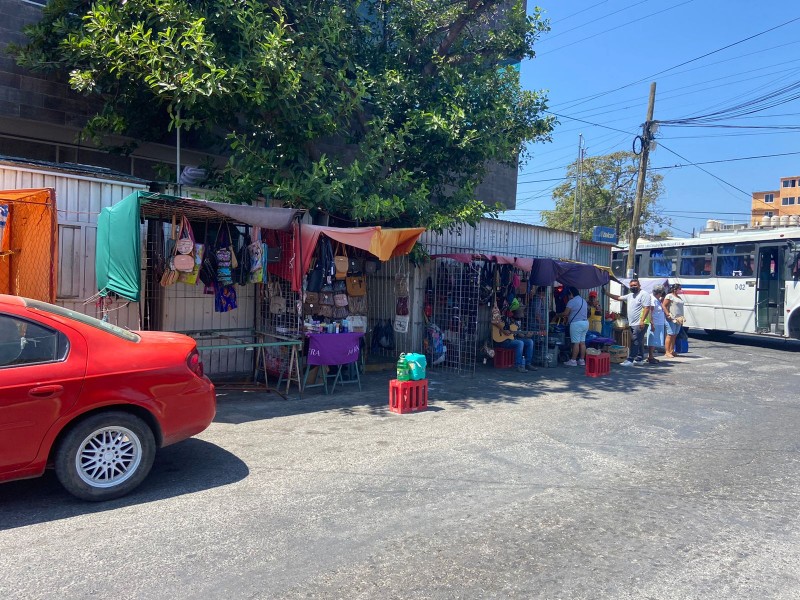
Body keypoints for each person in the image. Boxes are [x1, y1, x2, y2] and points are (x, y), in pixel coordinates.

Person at [606, 278, 651, 366]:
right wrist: (607, 293)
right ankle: (639, 358)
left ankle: (630, 359)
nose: (633, 287)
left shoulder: (644, 294)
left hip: (640, 322)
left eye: (635, 285)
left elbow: (647, 308)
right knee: (639, 340)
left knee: (635, 340)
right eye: (631, 286)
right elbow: (618, 297)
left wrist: (642, 321)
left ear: (639, 285)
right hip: (632, 323)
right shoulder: (630, 295)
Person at [559, 286, 589, 367]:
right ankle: (582, 360)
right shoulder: (584, 301)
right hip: (585, 323)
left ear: (571, 294)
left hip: (576, 324)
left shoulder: (571, 301)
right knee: (582, 343)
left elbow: (565, 313)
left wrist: (558, 315)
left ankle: (573, 360)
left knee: (576, 343)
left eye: (569, 295)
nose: (568, 296)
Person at [662, 283, 685, 358]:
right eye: (679, 289)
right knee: (670, 334)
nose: (680, 290)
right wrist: (667, 314)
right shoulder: (669, 296)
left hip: (679, 318)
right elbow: (664, 305)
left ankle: (672, 350)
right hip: (671, 318)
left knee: (675, 335)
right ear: (675, 289)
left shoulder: (679, 297)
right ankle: (667, 351)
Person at [646, 286, 667, 364]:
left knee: (655, 340)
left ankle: (651, 356)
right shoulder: (652, 299)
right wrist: (652, 323)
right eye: (661, 292)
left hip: (659, 322)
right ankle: (650, 356)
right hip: (655, 322)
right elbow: (650, 312)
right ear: (658, 292)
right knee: (652, 340)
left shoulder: (657, 299)